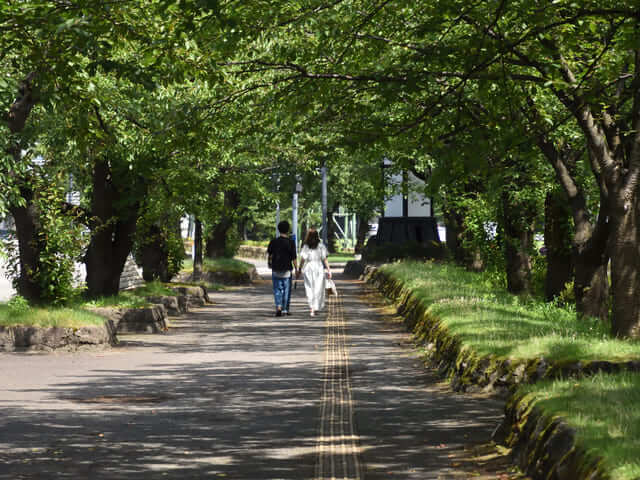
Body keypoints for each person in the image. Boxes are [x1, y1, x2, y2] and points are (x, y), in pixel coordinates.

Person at [296, 228, 331, 316]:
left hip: (308, 268)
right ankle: (315, 307)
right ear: (317, 236)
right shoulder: (321, 246)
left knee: (309, 288)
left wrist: (299, 270)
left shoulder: (306, 246)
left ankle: (312, 307)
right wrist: (329, 270)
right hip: (318, 267)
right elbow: (324, 259)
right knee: (318, 288)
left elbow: (302, 259)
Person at [267, 220, 298, 316]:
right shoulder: (291, 242)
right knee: (286, 290)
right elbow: (294, 258)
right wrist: (297, 269)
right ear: (288, 230)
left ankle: (279, 307)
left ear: (279, 229)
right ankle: (285, 309)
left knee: (277, 289)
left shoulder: (273, 241)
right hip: (287, 270)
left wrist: (269, 263)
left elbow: (270, 255)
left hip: (276, 268)